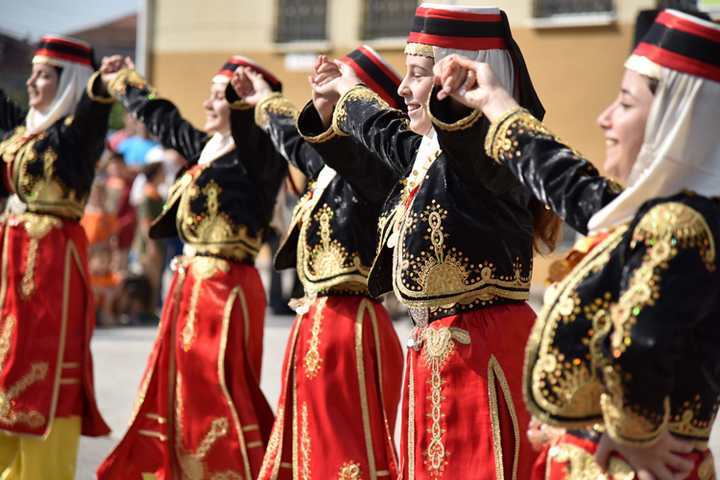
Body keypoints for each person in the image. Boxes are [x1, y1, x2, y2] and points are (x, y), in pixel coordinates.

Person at [434, 8, 720, 479]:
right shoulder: (651, 216)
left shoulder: (677, 224)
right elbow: (568, 181)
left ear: (676, 125)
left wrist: (634, 434)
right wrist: (496, 103)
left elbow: (638, 344)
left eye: (626, 105)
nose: (604, 118)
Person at [311, 5, 559, 479]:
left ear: (462, 77)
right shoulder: (431, 156)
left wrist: (354, 93)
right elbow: (379, 139)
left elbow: (438, 135)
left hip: (481, 354)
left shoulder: (486, 149)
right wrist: (341, 96)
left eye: (419, 74)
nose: (403, 88)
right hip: (436, 349)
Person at [96, 55, 287, 479]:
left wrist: (254, 100)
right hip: (191, 288)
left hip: (225, 290)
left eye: (220, 98)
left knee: (218, 387)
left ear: (244, 106)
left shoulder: (258, 158)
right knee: (181, 387)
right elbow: (164, 119)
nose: (207, 104)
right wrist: (127, 84)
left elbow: (254, 135)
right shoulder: (206, 149)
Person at [232, 45, 406, 479]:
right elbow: (294, 139)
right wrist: (265, 101)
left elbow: (346, 154)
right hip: (315, 320)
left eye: (338, 88)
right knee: (308, 448)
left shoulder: (379, 167)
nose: (323, 95)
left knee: (348, 451)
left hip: (353, 328)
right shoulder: (327, 167)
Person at [0, 34, 114, 479]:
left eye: (43, 75)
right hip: (13, 261)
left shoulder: (76, 136)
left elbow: (96, 106)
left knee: (43, 366)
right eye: (31, 72)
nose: (31, 82)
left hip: (50, 265)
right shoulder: (24, 132)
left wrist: (106, 85)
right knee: (8, 363)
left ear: (69, 84)